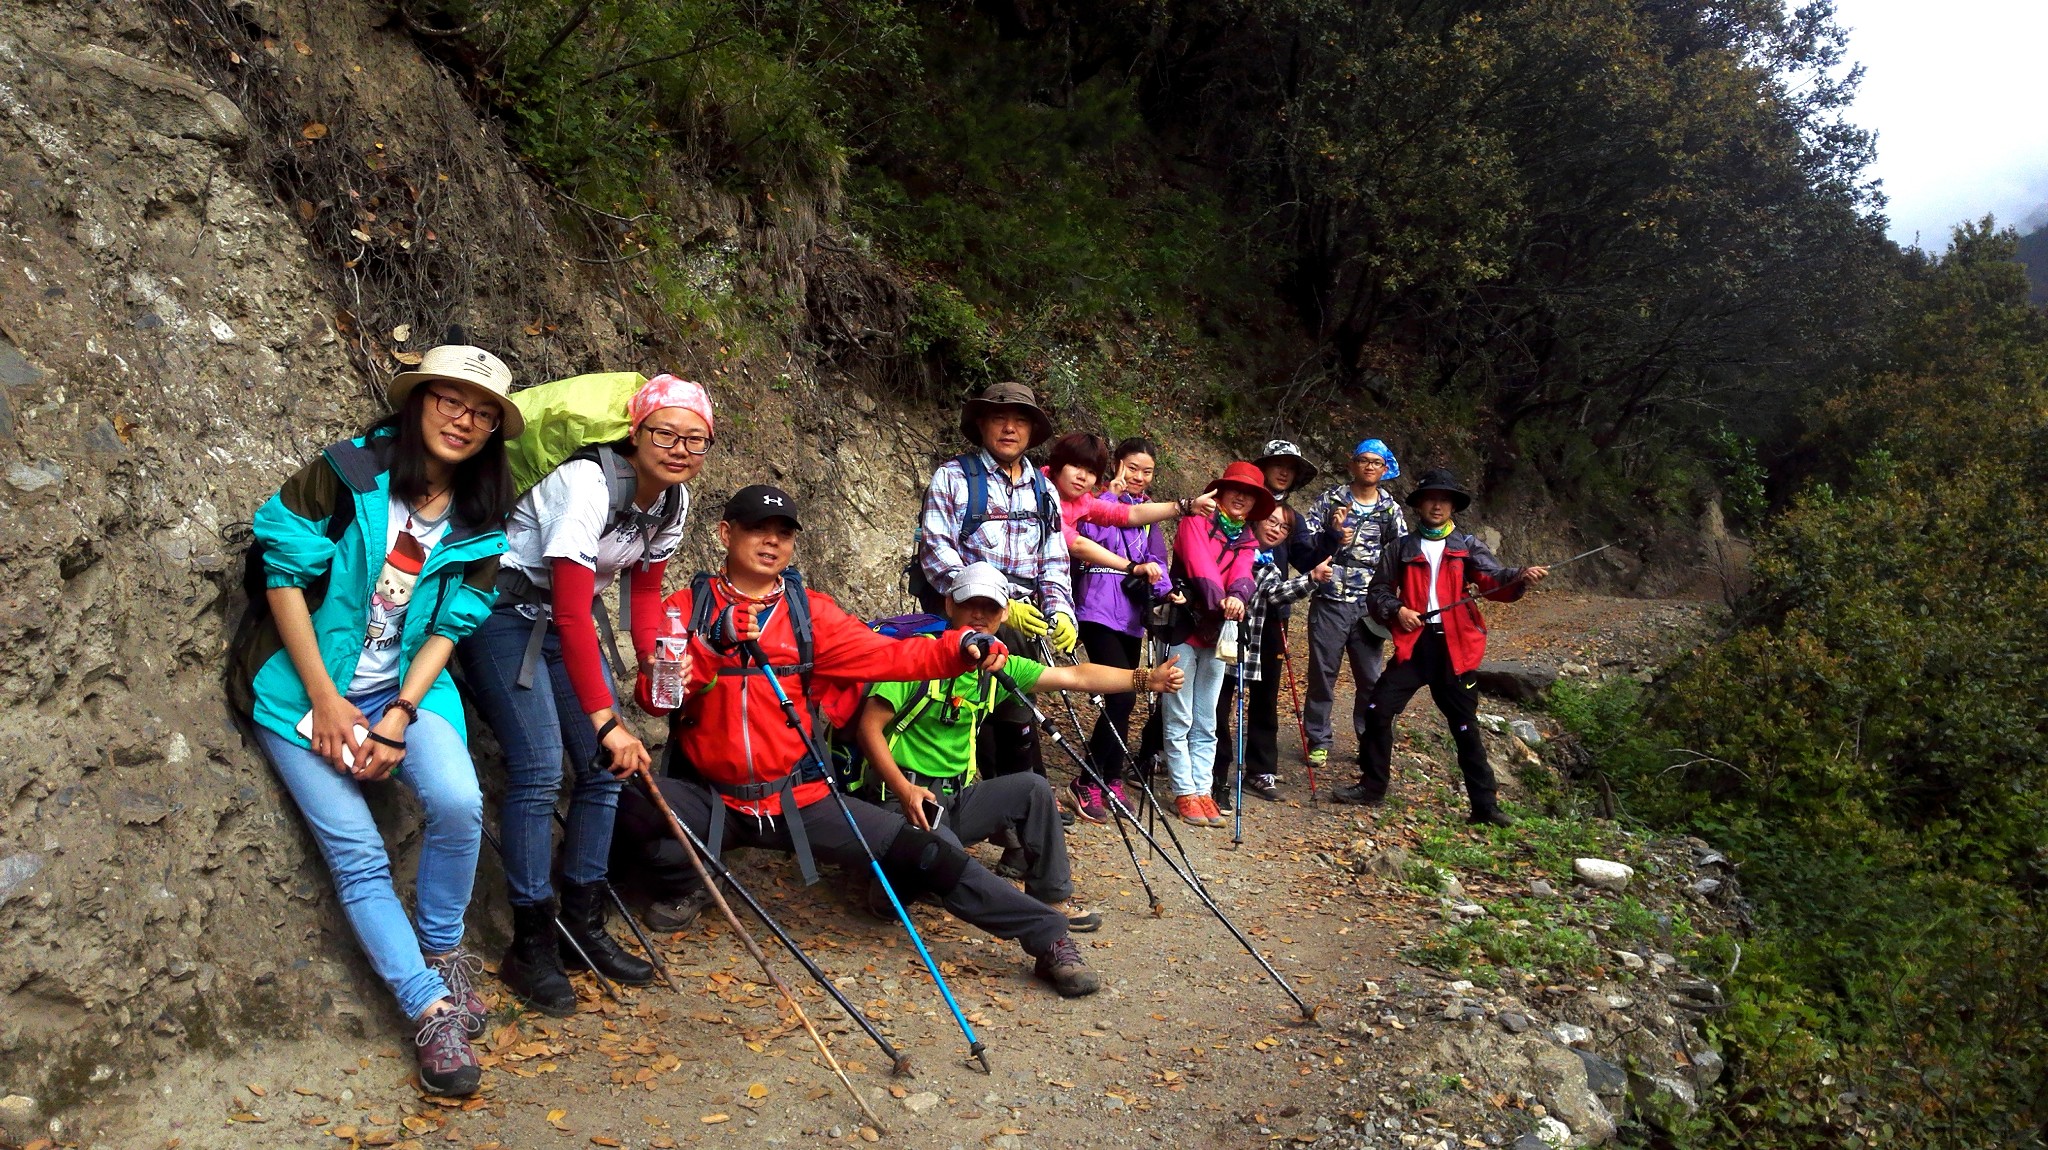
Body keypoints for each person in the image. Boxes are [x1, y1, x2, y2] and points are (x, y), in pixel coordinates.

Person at [634, 486, 1106, 997]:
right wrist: (710, 645)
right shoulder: (684, 609)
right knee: (616, 796)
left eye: (783, 533)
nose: (771, 542)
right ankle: (688, 876)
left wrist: (960, 645)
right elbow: (655, 701)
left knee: (929, 853)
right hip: (711, 797)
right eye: (755, 529)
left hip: (800, 798)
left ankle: (1047, 934)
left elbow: (893, 657)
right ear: (726, 533)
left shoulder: (809, 614)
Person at [231, 344, 518, 1095]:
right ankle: (429, 1010)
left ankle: (444, 951)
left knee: (459, 801)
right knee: (357, 849)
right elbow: (281, 572)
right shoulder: (350, 471)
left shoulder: (482, 515)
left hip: (403, 686)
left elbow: (452, 627)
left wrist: (397, 715)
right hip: (300, 688)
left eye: (483, 412)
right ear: (416, 401)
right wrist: (327, 701)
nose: (465, 420)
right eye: (450, 400)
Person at [456, 375, 713, 1013]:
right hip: (503, 614)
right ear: (636, 431)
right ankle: (531, 943)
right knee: (540, 769)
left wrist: (658, 663)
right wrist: (606, 716)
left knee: (603, 772)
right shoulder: (587, 484)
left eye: (695, 440)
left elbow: (643, 594)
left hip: (559, 622)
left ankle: (583, 923)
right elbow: (573, 611)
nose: (678, 449)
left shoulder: (672, 502)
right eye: (665, 433)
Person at [852, 562, 1186, 932]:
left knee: (1033, 788)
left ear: (1004, 614)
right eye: (968, 604)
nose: (978, 615)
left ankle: (1051, 896)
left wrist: (1143, 678)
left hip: (952, 800)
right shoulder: (918, 655)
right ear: (949, 605)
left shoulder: (997, 665)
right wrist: (904, 789)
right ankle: (896, 878)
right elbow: (869, 729)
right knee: (920, 886)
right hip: (899, 800)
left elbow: (1075, 675)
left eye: (990, 608)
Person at [1350, 469, 1548, 825]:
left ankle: (1485, 807)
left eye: (1444, 499)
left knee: (1464, 726)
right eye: (1430, 498)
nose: (1437, 505)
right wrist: (1399, 610)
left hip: (1455, 650)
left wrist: (1521, 576)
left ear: (1453, 505)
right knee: (1378, 710)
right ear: (1420, 505)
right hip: (1414, 646)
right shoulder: (1399, 548)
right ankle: (1372, 787)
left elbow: (1495, 580)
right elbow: (1377, 592)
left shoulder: (1467, 546)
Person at [913, 381, 1074, 783]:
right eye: (999, 418)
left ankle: (1016, 803)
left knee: (1013, 709)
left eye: (1020, 421)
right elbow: (937, 555)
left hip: (1024, 620)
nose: (1009, 428)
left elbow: (1053, 562)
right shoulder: (953, 478)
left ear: (1031, 433)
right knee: (980, 707)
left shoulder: (1045, 491)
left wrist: (1061, 612)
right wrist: (996, 606)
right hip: (965, 616)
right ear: (982, 425)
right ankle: (995, 797)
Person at [1161, 462, 1276, 827]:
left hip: (1216, 631)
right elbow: (1200, 568)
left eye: (1250, 494)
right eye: (1235, 490)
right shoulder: (1194, 522)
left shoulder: (1247, 539)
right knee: (1179, 712)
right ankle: (1183, 789)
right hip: (1184, 626)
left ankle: (1203, 789)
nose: (1241, 498)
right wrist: (1223, 601)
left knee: (1207, 717)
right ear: (1221, 492)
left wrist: (1240, 596)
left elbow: (1243, 575)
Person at [1215, 440, 1326, 805]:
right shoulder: (1244, 505)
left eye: (1290, 468)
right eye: (1278, 464)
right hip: (1229, 607)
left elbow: (1307, 555)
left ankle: (1261, 768)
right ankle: (1208, 761)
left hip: (1273, 612)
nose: (1283, 472)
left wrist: (1333, 539)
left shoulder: (1294, 517)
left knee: (1264, 694)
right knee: (1219, 689)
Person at [1074, 438, 1175, 822]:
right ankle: (1089, 778)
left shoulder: (1147, 513)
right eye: (1132, 467)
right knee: (1118, 695)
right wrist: (1112, 497)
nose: (1138, 476)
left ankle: (1110, 776)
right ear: (1117, 465)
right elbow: (1086, 537)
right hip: (1096, 607)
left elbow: (1158, 560)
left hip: (1133, 615)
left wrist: (1168, 592)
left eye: (1146, 471)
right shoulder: (1096, 502)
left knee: (1129, 693)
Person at [1298, 438, 1408, 771]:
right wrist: (1332, 534)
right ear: (1352, 464)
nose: (1369, 467)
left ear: (1384, 469)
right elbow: (1305, 543)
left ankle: (1368, 738)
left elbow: (1400, 554)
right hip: (1330, 599)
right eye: (1363, 460)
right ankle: (1318, 740)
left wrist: (1393, 601)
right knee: (1322, 674)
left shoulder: (1389, 508)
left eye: (1376, 462)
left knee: (1370, 678)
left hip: (1368, 606)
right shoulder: (1331, 499)